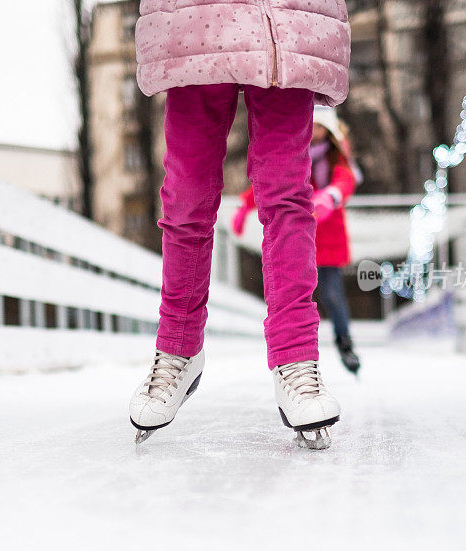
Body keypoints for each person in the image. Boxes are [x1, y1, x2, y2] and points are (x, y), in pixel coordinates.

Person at [128, 0, 351, 449]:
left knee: (287, 196)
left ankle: (296, 357)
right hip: (198, 19)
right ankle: (179, 347)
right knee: (186, 197)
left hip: (288, 23)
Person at [232, 107, 362, 375]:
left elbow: (345, 181)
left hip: (329, 239)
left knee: (333, 295)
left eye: (320, 127)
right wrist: (245, 206)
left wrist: (331, 197)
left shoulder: (337, 158)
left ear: (329, 131)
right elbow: (274, 185)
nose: (315, 132)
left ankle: (344, 342)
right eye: (312, 125)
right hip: (298, 237)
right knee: (293, 292)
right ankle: (294, 349)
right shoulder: (295, 154)